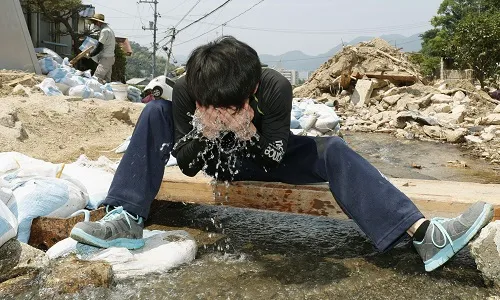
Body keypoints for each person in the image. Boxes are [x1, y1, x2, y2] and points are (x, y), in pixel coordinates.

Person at [71, 36, 493, 272]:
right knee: (153, 113)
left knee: (334, 150)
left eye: (231, 102)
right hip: (215, 159)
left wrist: (247, 128)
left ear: (252, 89)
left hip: (262, 153)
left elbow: (274, 159)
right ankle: (125, 216)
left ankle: (423, 233)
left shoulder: (274, 88)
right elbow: (188, 164)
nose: (219, 109)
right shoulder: (186, 93)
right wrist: (206, 131)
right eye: (209, 102)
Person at [87, 13, 116, 83]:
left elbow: (99, 47)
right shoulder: (109, 30)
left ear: (98, 22)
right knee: (107, 82)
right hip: (110, 58)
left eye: (94, 22)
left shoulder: (104, 31)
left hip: (105, 59)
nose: (94, 24)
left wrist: (90, 55)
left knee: (96, 80)